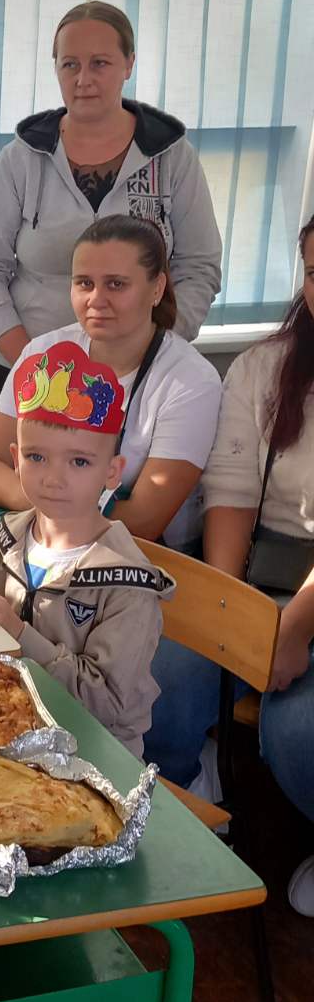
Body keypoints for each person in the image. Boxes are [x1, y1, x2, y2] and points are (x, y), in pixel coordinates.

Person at [0, 340, 174, 1002]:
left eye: (79, 461)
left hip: (93, 775)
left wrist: (20, 636)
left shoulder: (125, 581)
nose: (52, 477)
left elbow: (108, 705)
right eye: (35, 455)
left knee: (30, 903)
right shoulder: (5, 539)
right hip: (9, 749)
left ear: (113, 470)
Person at [145, 215, 314, 913]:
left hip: (303, 604)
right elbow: (234, 494)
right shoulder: (263, 368)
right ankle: (182, 796)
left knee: (297, 730)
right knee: (164, 666)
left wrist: (292, 630)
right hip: (265, 578)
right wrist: (227, 610)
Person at [0, 1, 222, 389]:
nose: (83, 79)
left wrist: (153, 355)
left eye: (99, 63)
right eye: (70, 64)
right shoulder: (20, 159)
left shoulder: (173, 158)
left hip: (141, 376)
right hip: (32, 371)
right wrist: (33, 363)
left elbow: (199, 267)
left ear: (128, 64)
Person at [0, 216, 223, 551]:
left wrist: (3, 513)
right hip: (43, 546)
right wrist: (36, 512)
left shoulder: (190, 381)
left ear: (157, 289)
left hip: (139, 558)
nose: (96, 299)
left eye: (116, 284)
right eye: (84, 283)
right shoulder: (44, 353)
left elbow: (144, 521)